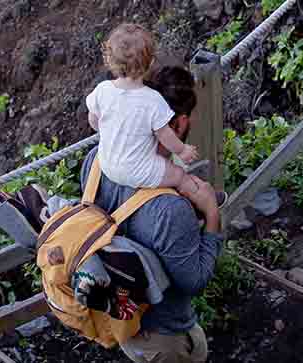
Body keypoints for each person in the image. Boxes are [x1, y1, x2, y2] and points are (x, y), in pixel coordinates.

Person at [80, 64, 223, 363]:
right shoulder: (171, 210)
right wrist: (210, 214)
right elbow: (195, 280)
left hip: (121, 318)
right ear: (180, 124)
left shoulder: (95, 161)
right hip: (163, 337)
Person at [85, 23, 226, 207]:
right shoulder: (152, 100)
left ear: (110, 60)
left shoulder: (102, 90)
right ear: (150, 62)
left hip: (107, 163)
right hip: (137, 170)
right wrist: (182, 151)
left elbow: (94, 120)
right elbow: (165, 135)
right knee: (179, 176)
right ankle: (206, 201)